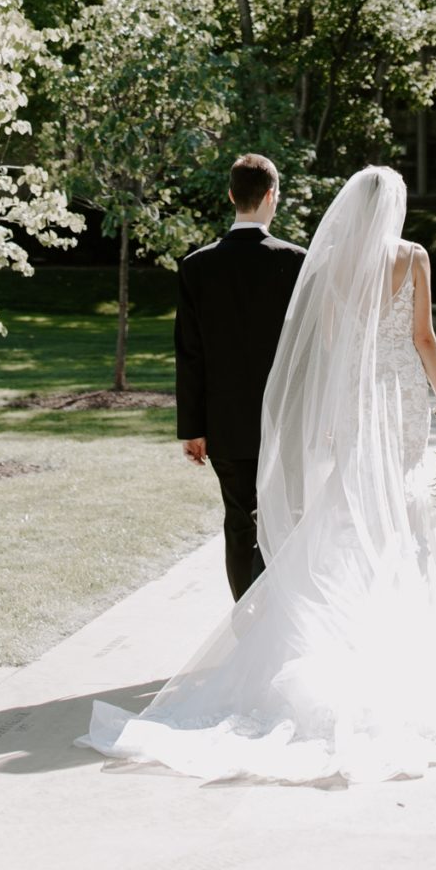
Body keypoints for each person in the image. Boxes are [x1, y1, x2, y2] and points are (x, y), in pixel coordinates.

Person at [88, 164, 436, 785]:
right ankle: (373, 636)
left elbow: (313, 345)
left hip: (323, 407)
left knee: (306, 513)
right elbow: (423, 338)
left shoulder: (316, 264)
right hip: (392, 402)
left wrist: (304, 417)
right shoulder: (384, 259)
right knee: (381, 514)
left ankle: (283, 625)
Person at [173, 151, 305, 599]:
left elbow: (189, 354)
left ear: (232, 196)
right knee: (280, 520)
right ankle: (270, 621)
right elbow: (308, 352)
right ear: (273, 196)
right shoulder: (297, 263)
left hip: (224, 423)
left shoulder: (196, 266)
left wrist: (191, 428)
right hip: (285, 421)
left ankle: (245, 620)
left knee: (237, 521)